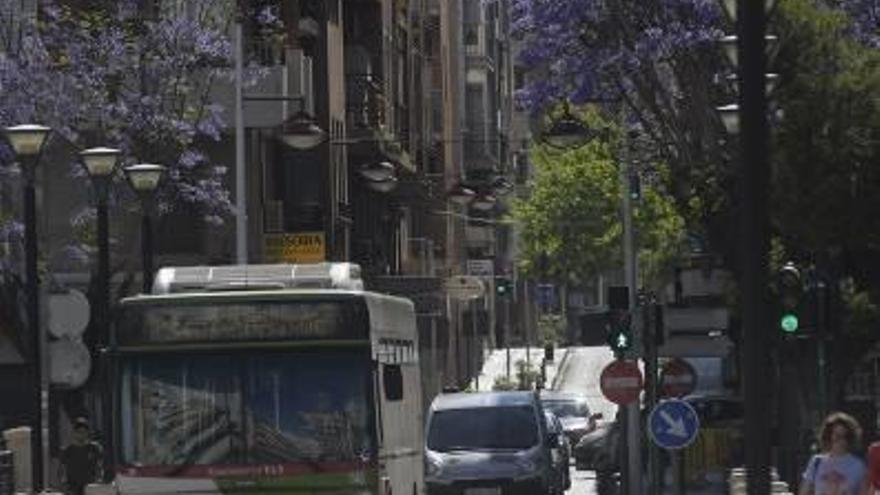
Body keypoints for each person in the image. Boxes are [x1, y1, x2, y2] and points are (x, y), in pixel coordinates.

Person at [799, 411, 866, 495]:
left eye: (845, 436)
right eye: (837, 436)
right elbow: (804, 492)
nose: (842, 440)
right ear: (828, 436)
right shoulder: (816, 462)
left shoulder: (858, 466)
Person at [59, 417, 103, 495]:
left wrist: (99, 481)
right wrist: (64, 486)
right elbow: (62, 470)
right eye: (78, 432)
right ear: (74, 433)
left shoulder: (94, 449)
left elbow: (99, 466)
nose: (81, 435)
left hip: (90, 487)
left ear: (87, 432)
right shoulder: (68, 450)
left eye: (84, 432)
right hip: (72, 488)